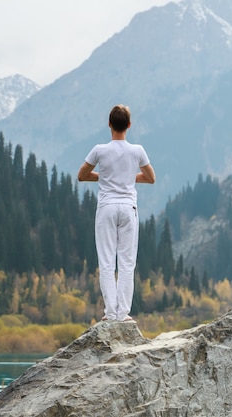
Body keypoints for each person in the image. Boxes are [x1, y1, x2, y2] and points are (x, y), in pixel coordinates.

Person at [78, 104, 156, 322]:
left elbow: (82, 175)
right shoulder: (137, 151)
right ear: (129, 125)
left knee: (106, 262)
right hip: (128, 208)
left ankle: (110, 313)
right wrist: (128, 177)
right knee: (126, 263)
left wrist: (104, 176)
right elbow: (151, 178)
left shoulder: (99, 150)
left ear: (109, 124)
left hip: (107, 208)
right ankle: (123, 314)